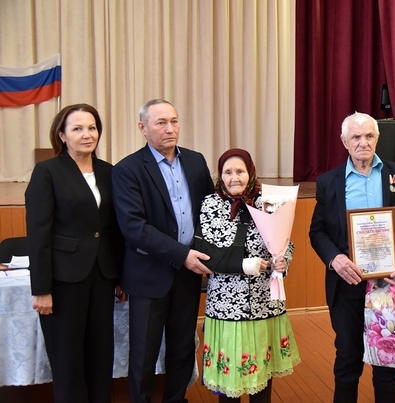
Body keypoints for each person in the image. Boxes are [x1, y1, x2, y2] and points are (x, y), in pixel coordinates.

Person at [309, 112, 395, 403]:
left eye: (369, 136)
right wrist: (335, 259)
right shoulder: (328, 181)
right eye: (356, 137)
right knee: (348, 356)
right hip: (347, 281)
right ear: (344, 142)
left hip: (387, 283)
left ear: (377, 139)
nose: (363, 142)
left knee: (388, 359)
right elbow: (317, 231)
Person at [112, 99, 214, 403]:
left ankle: (176, 398)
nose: (170, 129)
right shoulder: (128, 169)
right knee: (144, 352)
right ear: (143, 128)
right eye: (161, 123)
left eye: (174, 121)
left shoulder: (195, 161)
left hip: (188, 274)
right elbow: (134, 226)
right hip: (149, 275)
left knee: (182, 348)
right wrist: (182, 255)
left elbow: (209, 212)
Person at [25, 104, 125, 403]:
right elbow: (38, 234)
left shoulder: (108, 171)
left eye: (92, 128)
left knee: (100, 356)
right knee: (68, 359)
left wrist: (120, 277)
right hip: (63, 280)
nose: (86, 134)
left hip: (102, 276)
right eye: (77, 128)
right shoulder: (48, 171)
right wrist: (41, 289)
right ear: (62, 134)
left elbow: (114, 229)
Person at [198, 148, 301, 401]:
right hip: (225, 305)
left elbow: (285, 243)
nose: (234, 178)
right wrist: (247, 264)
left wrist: (283, 261)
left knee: (262, 378)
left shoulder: (269, 200)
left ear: (251, 173)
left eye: (240, 171)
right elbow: (209, 253)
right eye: (228, 172)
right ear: (220, 176)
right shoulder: (210, 204)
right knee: (229, 383)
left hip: (264, 302)